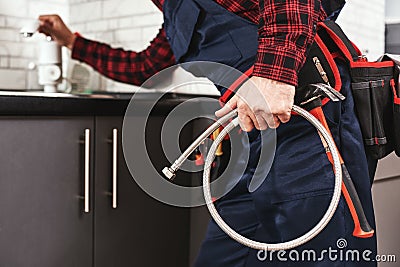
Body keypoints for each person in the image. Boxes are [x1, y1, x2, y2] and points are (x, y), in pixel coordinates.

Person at [39, 0, 377, 266]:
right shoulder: (174, 12)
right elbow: (145, 66)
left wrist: (275, 75)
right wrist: (72, 42)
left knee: (325, 256)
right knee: (225, 256)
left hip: (306, 121)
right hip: (250, 141)